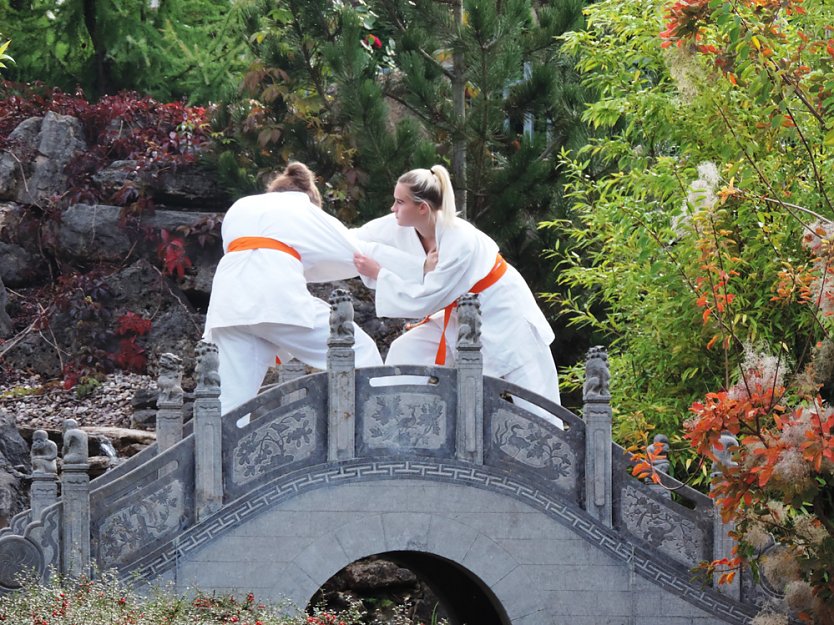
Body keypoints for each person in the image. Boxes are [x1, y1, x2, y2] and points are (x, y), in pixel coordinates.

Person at [353, 165, 562, 424]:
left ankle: (555, 446)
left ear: (422, 208)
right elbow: (356, 238)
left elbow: (426, 299)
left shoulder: (459, 239)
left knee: (535, 395)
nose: (393, 208)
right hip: (461, 313)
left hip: (503, 310)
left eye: (400, 202)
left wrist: (379, 273)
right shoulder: (402, 225)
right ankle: (393, 424)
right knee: (407, 349)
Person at [204, 162, 416, 416]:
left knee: (231, 401)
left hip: (228, 305)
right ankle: (379, 421)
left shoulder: (241, 207)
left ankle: (213, 442)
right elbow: (353, 249)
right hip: (274, 298)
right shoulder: (301, 207)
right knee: (358, 351)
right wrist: (417, 267)